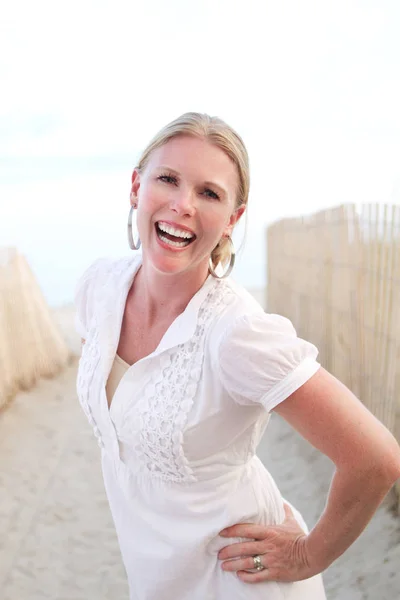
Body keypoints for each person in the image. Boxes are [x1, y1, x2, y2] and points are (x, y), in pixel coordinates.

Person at [74, 112, 400, 600]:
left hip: (239, 583)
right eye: (168, 179)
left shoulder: (237, 333)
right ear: (136, 187)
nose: (182, 204)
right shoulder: (99, 288)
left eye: (209, 193)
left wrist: (307, 555)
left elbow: (375, 460)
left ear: (232, 219)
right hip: (157, 579)